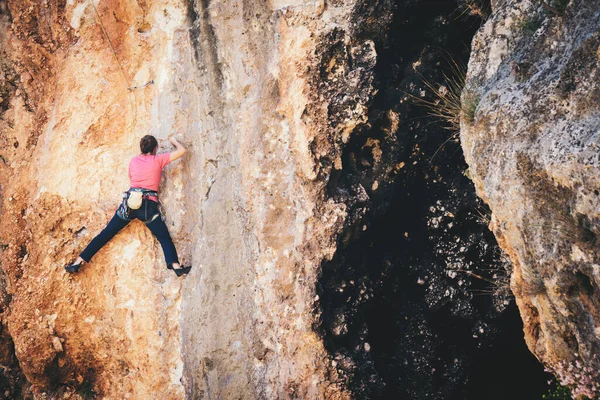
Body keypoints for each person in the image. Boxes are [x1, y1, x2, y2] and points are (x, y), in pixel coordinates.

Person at [64, 135, 192, 276]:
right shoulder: (158, 160)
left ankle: (77, 263)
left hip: (130, 204)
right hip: (148, 206)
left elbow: (132, 178)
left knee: (105, 234)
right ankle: (176, 266)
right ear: (155, 148)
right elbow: (183, 150)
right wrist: (173, 141)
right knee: (163, 237)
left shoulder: (133, 161)